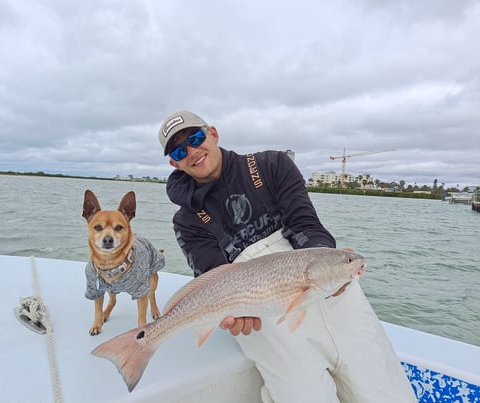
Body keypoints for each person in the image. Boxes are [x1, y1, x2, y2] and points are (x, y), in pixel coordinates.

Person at [158, 110, 417, 403]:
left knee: (386, 392)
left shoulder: (271, 165)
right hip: (268, 320)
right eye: (179, 151)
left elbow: (305, 224)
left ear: (213, 134)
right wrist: (232, 315)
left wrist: (329, 262)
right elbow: (213, 277)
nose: (192, 151)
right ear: (174, 163)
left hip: (336, 300)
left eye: (195, 138)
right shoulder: (187, 222)